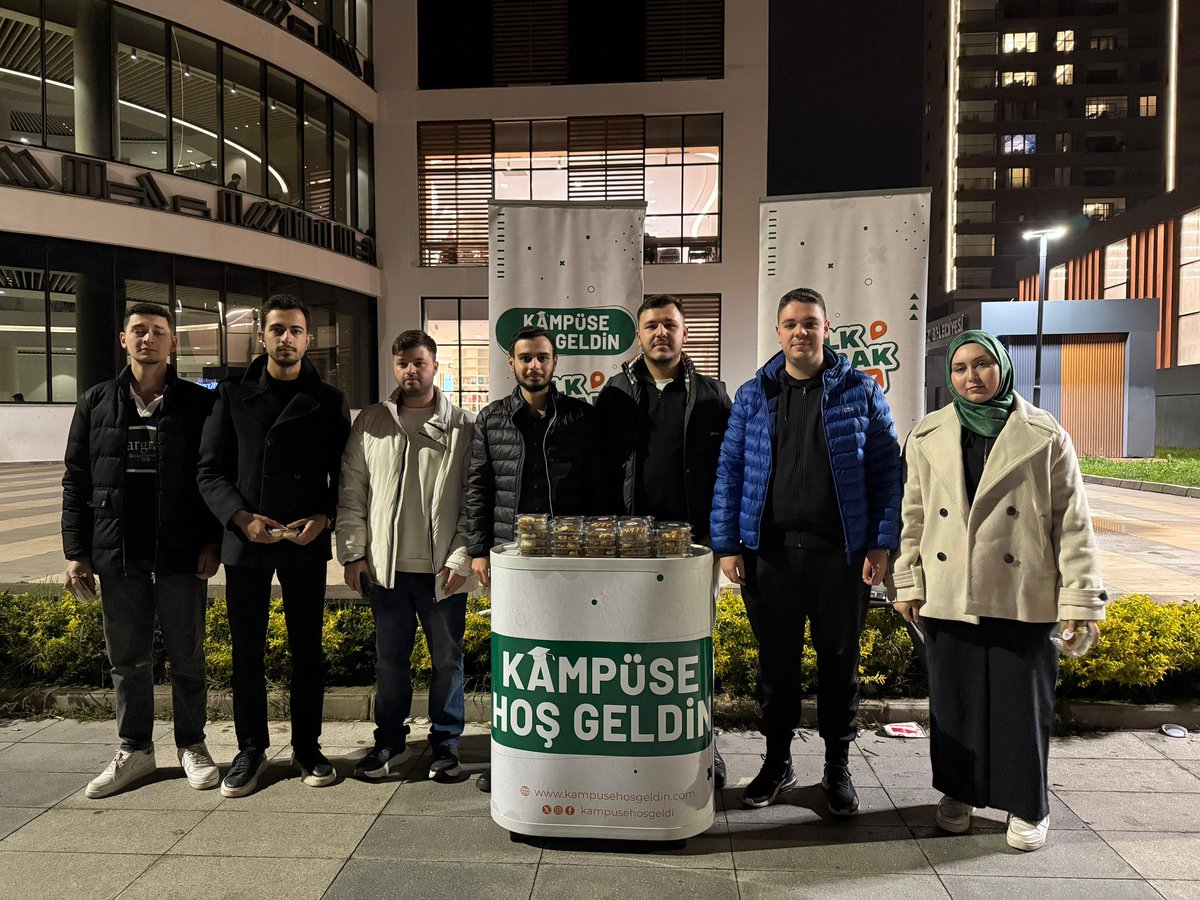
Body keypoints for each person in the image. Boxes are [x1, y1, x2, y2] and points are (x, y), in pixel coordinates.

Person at [891, 330, 1106, 852]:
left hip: (1022, 592)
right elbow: (913, 517)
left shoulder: (1044, 433)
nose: (972, 376)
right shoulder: (927, 434)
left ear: (1002, 368)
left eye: (983, 365)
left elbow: (1072, 523)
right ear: (950, 377)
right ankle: (958, 794)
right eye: (961, 368)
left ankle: (1028, 804)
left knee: (1020, 705)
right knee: (954, 702)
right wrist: (907, 580)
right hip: (949, 590)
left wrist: (1080, 600)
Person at [710, 287, 902, 813]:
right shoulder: (754, 394)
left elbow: (888, 472)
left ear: (826, 329)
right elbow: (729, 471)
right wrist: (727, 544)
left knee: (840, 663)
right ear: (778, 332)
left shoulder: (860, 391)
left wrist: (881, 544)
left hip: (840, 557)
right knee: (777, 666)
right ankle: (777, 763)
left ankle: (836, 768)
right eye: (791, 323)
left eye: (810, 323)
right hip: (769, 556)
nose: (801, 332)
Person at [62, 302, 222, 798]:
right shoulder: (96, 402)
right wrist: (77, 550)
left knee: (188, 656)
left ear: (173, 342)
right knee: (127, 659)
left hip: (180, 550)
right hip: (119, 551)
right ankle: (135, 749)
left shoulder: (198, 403)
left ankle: (192, 745)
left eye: (158, 332)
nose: (147, 339)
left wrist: (213, 540)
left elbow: (214, 476)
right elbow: (77, 480)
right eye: (139, 331)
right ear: (122, 339)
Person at [197, 293, 350, 798]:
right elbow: (210, 470)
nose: (286, 338)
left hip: (304, 539)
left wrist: (325, 516)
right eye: (277, 329)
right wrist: (241, 518)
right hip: (249, 540)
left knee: (308, 649)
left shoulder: (329, 401)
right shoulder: (231, 395)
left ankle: (308, 746)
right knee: (248, 651)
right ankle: (251, 749)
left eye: (295, 330)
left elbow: (343, 476)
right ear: (261, 336)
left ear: (309, 340)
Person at [596, 293, 732, 789]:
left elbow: (728, 473)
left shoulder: (714, 395)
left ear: (684, 333)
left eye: (670, 325)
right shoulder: (613, 393)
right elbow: (602, 471)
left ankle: (703, 748)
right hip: (630, 546)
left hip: (695, 549)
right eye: (651, 325)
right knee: (631, 648)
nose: (661, 333)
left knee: (695, 650)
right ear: (639, 334)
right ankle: (634, 745)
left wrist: (721, 536)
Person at [465, 324, 603, 791]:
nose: (534, 365)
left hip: (568, 561)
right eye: (525, 358)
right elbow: (478, 488)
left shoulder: (581, 418)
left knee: (569, 657)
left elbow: (596, 488)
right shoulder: (491, 420)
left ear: (555, 362)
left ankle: (567, 752)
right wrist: (479, 550)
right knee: (516, 661)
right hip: (511, 559)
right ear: (512, 363)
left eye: (542, 357)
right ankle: (512, 759)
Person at [338, 329, 477, 781]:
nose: (410, 371)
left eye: (419, 362)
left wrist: (459, 559)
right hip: (387, 572)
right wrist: (353, 554)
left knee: (447, 661)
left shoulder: (463, 426)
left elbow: (474, 502)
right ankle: (389, 743)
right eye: (402, 363)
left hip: (441, 574)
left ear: (435, 366)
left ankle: (446, 744)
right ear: (394, 367)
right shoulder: (372, 423)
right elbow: (352, 493)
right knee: (390, 662)